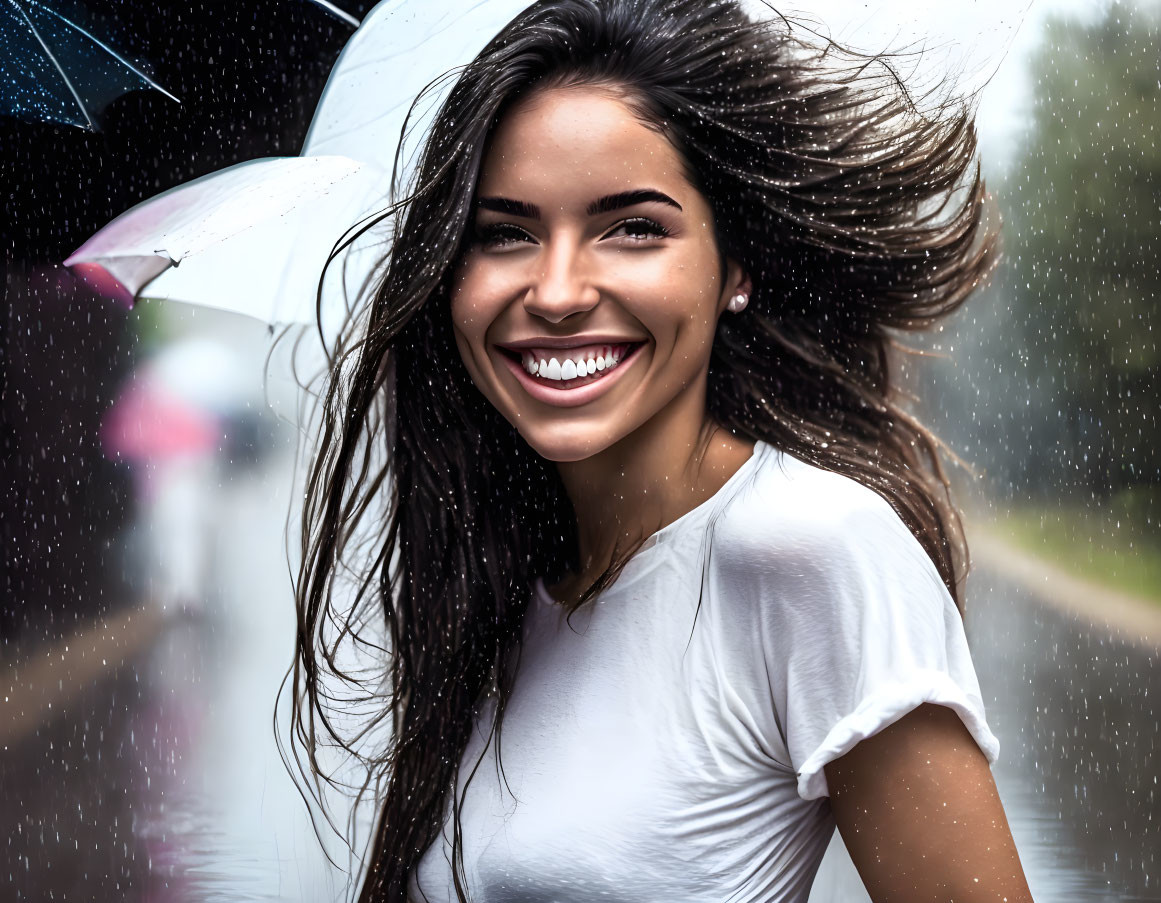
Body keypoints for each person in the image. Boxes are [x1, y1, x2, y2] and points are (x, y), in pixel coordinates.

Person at [290, 1, 1035, 901]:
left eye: (633, 227)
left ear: (735, 267)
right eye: (504, 233)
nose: (557, 290)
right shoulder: (508, 584)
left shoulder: (813, 547)